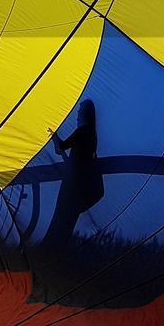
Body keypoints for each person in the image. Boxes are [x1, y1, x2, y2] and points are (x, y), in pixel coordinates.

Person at [45, 99, 104, 249]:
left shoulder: (83, 131)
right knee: (65, 226)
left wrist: (55, 136)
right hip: (78, 188)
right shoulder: (92, 134)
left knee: (59, 224)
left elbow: (62, 147)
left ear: (84, 114)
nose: (77, 114)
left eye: (79, 111)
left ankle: (49, 253)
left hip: (71, 187)